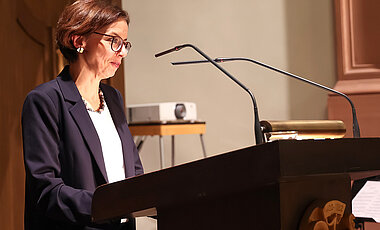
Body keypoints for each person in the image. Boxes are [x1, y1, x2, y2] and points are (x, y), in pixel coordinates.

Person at [21, 0, 143, 229]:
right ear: (79, 40)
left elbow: (133, 171)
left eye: (125, 43)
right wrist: (110, 205)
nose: (122, 52)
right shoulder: (45, 101)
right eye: (114, 40)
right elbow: (46, 190)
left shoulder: (113, 98)